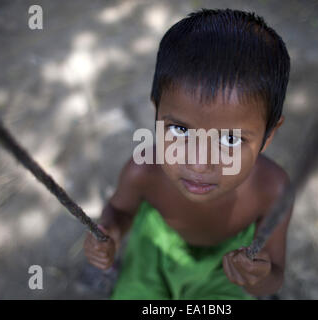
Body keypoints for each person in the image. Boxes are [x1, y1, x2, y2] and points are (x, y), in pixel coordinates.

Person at [84, 8, 294, 300]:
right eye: (180, 130)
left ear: (268, 135)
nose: (198, 163)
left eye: (230, 139)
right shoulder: (143, 171)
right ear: (157, 110)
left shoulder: (273, 191)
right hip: (154, 251)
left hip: (228, 270)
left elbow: (275, 277)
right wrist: (110, 233)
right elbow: (119, 211)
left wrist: (257, 277)